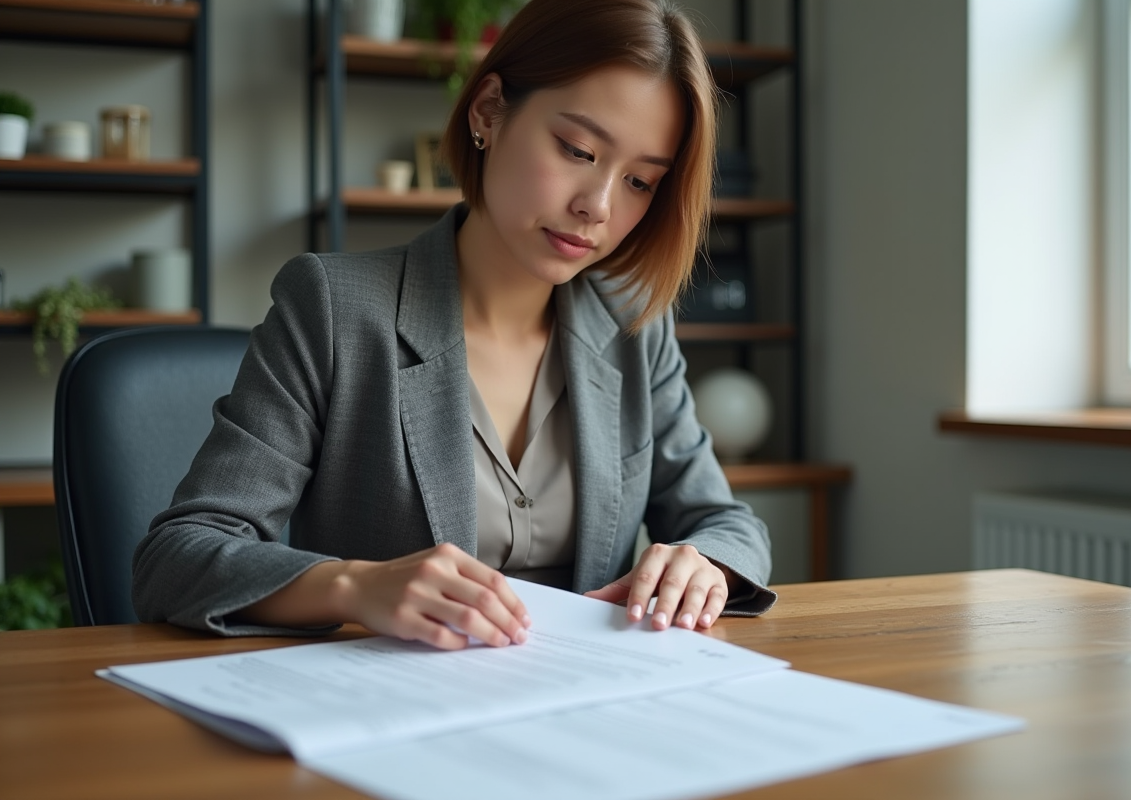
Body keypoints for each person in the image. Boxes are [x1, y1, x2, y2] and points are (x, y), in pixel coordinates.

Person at [132, 0, 776, 649]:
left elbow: (725, 521)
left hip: (584, 704)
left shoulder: (635, 324)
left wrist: (705, 562)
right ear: (488, 111)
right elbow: (178, 556)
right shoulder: (333, 307)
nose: (597, 206)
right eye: (578, 150)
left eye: (640, 181)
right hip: (392, 711)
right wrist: (354, 586)